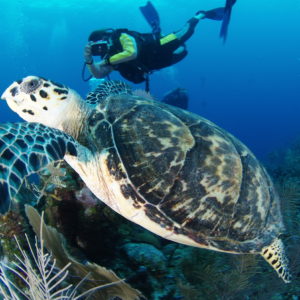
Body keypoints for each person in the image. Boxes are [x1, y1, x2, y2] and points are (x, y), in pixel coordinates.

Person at [83, 6, 224, 89]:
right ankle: (156, 29)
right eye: (96, 47)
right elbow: (99, 74)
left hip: (158, 47)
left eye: (99, 42)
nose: (100, 48)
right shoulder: (109, 57)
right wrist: (89, 61)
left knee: (183, 35)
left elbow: (131, 53)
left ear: (105, 36)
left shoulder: (120, 36)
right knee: (183, 52)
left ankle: (200, 15)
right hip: (157, 63)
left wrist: (105, 62)